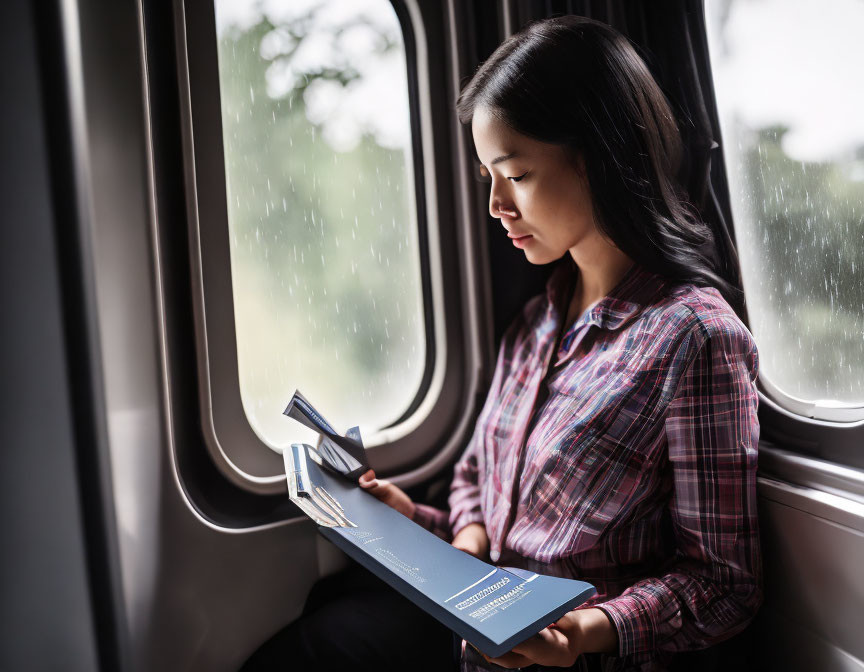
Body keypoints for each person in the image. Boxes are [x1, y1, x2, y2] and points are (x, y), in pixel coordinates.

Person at [242, 15, 761, 672]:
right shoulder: (537, 324)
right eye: (489, 175)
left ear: (597, 157)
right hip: (482, 637)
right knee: (312, 643)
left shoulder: (696, 340)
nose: (494, 205)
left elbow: (724, 585)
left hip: (576, 659)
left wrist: (582, 631)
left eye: (513, 174)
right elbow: (477, 478)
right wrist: (437, 526)